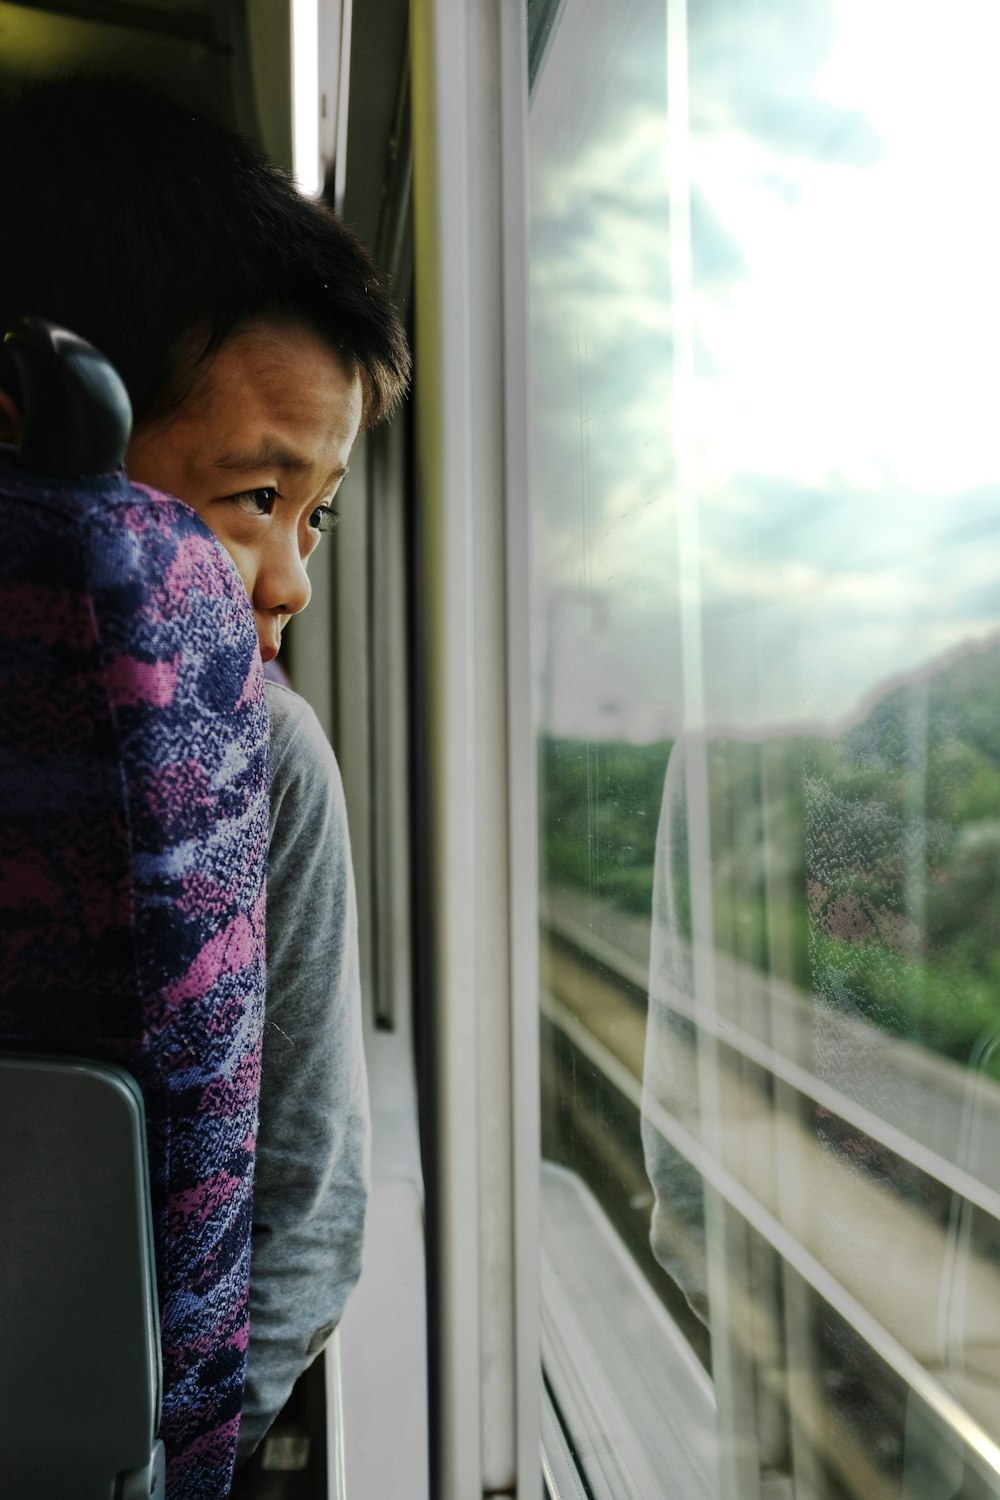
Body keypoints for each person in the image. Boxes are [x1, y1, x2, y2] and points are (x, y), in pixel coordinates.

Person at [0, 75, 410, 1468]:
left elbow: (294, 1204)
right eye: (253, 498)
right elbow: (306, 1190)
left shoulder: (263, 760)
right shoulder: (263, 752)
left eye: (321, 516)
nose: (291, 578)